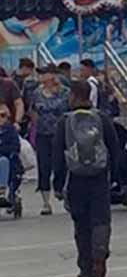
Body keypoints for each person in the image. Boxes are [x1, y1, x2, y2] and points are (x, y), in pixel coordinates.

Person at [53, 80, 121, 277]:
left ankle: (85, 266)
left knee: (81, 223)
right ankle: (100, 254)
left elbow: (58, 156)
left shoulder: (64, 122)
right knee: (100, 219)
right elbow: (114, 149)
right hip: (99, 177)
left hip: (75, 178)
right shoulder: (102, 118)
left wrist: (57, 184)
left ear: (73, 95)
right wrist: (115, 176)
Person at [29, 65, 69, 215]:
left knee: (61, 164)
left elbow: (67, 110)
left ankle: (62, 191)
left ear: (53, 75)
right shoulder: (37, 93)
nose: (41, 77)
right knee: (44, 166)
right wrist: (35, 127)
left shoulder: (65, 92)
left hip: (60, 133)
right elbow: (33, 111)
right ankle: (46, 202)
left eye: (44, 74)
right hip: (43, 134)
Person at [0, 103, 21, 206]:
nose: (0, 118)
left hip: (6, 158)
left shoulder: (10, 130)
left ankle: (2, 191)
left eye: (3, 115)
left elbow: (15, 146)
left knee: (3, 161)